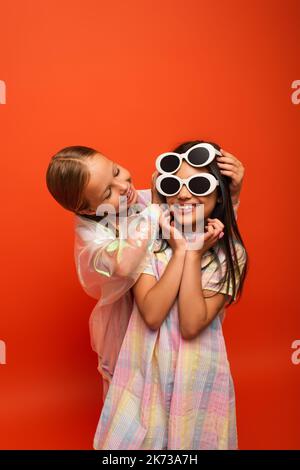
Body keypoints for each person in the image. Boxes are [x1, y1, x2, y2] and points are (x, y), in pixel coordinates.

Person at [45, 143, 244, 402]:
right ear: (87, 209)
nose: (123, 187)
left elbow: (206, 225)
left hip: (179, 326)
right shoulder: (92, 236)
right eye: (107, 192)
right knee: (132, 405)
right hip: (128, 329)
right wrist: (157, 205)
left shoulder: (145, 200)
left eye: (116, 171)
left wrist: (232, 192)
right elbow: (125, 263)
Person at [92, 140, 248, 450]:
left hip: (197, 383)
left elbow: (192, 323)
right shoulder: (144, 239)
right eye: (175, 184)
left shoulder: (230, 255)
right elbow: (151, 314)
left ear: (219, 195)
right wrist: (181, 250)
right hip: (145, 380)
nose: (185, 194)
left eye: (200, 184)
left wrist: (192, 254)